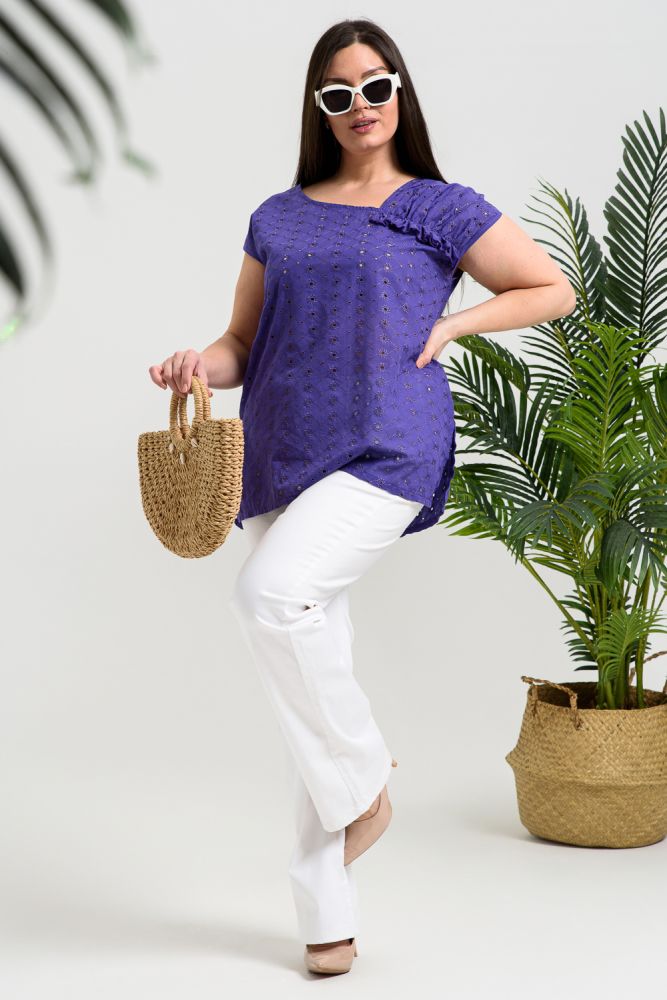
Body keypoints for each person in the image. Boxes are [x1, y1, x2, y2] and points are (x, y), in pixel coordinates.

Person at [148, 18, 575, 977]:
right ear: (318, 107)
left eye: (374, 86)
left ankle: (363, 783)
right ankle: (325, 919)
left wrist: (455, 325)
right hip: (280, 447)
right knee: (313, 661)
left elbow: (549, 287)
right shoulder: (277, 216)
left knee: (270, 599)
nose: (360, 107)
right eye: (338, 94)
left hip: (389, 441)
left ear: (398, 90)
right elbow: (241, 343)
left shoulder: (437, 206)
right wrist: (196, 365)